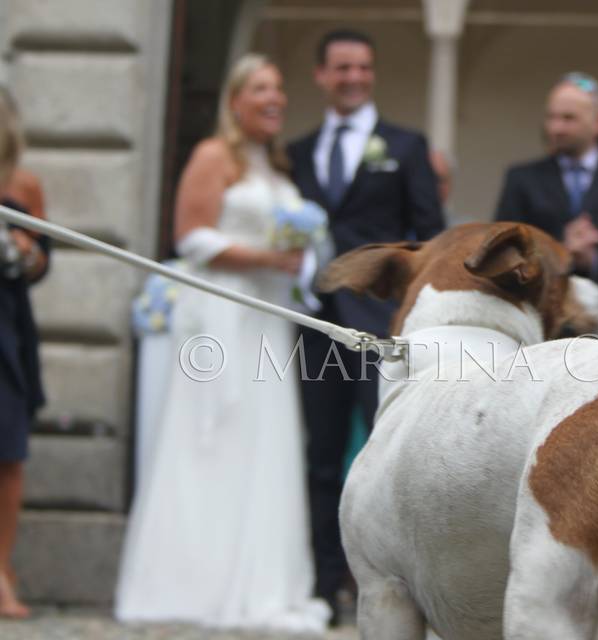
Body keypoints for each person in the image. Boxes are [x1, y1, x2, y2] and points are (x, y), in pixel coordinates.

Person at [115, 54, 330, 632]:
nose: (274, 98)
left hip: (268, 315)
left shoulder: (277, 167)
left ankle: (265, 583)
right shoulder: (214, 156)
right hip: (221, 315)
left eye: (279, 88)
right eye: (261, 88)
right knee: (214, 436)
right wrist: (267, 257)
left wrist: (300, 262)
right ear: (235, 100)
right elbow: (191, 237)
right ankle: (192, 582)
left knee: (268, 442)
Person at [286, 28, 445, 617]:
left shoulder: (405, 146)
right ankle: (327, 586)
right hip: (313, 322)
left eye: (363, 68)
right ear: (322, 76)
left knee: (389, 454)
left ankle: (404, 588)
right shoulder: (297, 153)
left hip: (381, 328)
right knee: (322, 454)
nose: (353, 77)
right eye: (342, 68)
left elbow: (428, 235)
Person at [494, 72, 598, 338]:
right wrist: (561, 251)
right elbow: (503, 255)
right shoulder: (521, 179)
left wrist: (595, 259)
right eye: (551, 117)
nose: (556, 128)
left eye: (568, 118)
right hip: (539, 330)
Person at [0, 89, 50, 619]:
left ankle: (1, 572)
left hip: (5, 330)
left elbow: (41, 266)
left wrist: (28, 252)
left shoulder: (22, 185)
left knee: (8, 453)